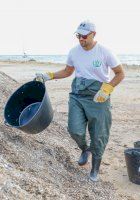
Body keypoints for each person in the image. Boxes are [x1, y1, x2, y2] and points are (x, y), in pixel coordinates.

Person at [35, 20, 125, 181]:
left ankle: (95, 168)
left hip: (98, 97)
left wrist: (107, 89)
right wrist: (49, 75)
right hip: (77, 94)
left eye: (84, 36)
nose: (81, 39)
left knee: (99, 134)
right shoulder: (74, 52)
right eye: (78, 36)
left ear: (93, 34)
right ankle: (85, 149)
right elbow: (68, 71)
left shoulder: (105, 52)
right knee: (74, 129)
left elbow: (120, 73)